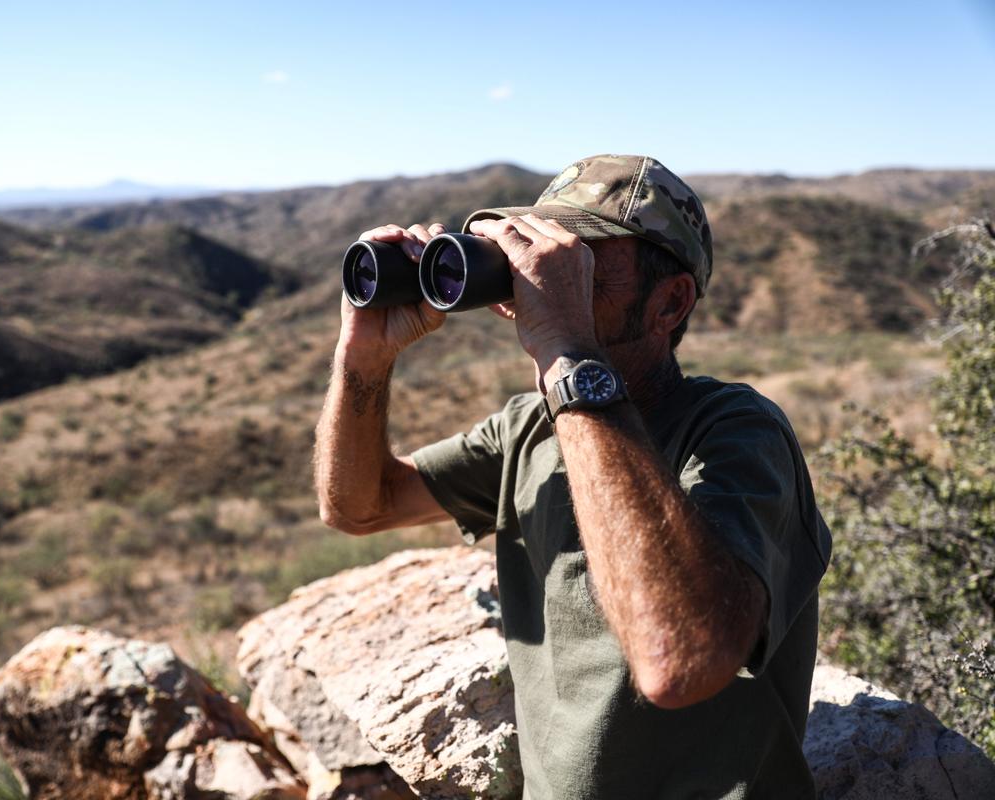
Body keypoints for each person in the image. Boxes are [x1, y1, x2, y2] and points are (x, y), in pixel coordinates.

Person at [314, 155, 832, 799]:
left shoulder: (735, 432)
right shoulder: (529, 428)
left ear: (670, 302)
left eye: (579, 265)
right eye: (542, 259)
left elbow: (678, 662)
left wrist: (566, 352)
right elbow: (362, 505)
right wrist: (363, 356)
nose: (543, 282)